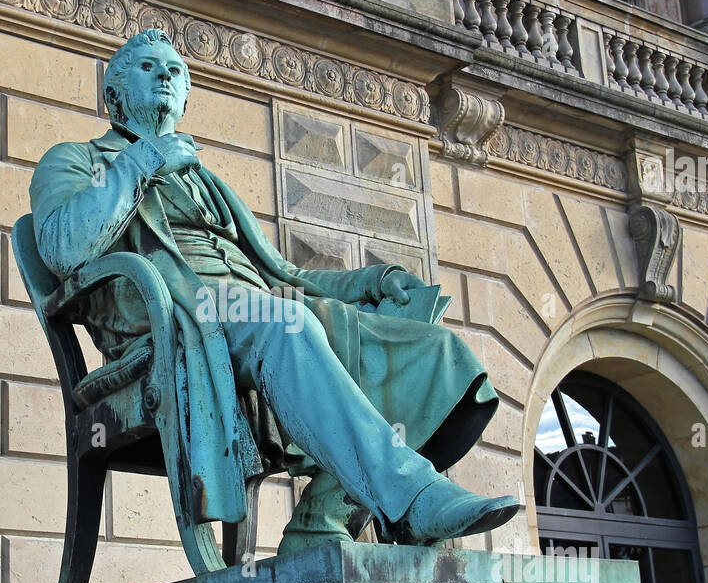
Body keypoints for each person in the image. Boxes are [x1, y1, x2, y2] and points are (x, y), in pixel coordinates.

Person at [31, 28, 520, 553]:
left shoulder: (207, 181)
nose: (166, 76)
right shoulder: (77, 159)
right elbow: (63, 246)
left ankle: (321, 518)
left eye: (174, 70)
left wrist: (374, 281)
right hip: (175, 313)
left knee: (434, 350)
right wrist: (143, 163)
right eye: (149, 68)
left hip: (260, 306)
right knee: (288, 322)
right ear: (113, 94)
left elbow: (285, 273)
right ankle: (413, 497)